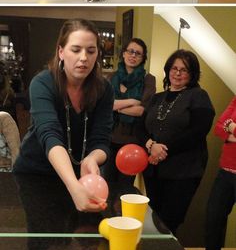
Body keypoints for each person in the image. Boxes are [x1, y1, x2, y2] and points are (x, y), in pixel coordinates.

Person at [14, 19, 114, 212]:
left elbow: (101, 140)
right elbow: (50, 135)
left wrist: (92, 158)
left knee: (81, 239)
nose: (84, 57)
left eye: (91, 51)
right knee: (44, 239)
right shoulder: (42, 83)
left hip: (79, 177)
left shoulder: (104, 89)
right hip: (36, 175)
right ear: (61, 52)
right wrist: (72, 185)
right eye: (76, 50)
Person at [143, 49, 215, 233]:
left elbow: (198, 131)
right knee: (154, 219)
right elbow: (140, 127)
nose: (177, 73)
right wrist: (151, 145)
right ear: (168, 70)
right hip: (153, 170)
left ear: (192, 74)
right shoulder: (156, 98)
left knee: (169, 223)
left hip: (183, 171)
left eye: (184, 70)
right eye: (174, 68)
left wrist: (163, 150)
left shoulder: (199, 96)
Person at [105, 37, 156, 182]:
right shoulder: (111, 77)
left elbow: (142, 111)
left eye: (138, 53)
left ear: (143, 58)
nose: (133, 56)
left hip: (134, 141)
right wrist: (132, 101)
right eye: (130, 51)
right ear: (123, 53)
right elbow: (105, 105)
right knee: (107, 183)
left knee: (124, 188)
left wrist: (116, 107)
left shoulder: (148, 79)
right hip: (109, 137)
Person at [202, 97, 236, 250]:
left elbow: (226, 126)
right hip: (225, 172)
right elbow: (218, 128)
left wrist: (231, 127)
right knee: (212, 221)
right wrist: (229, 128)